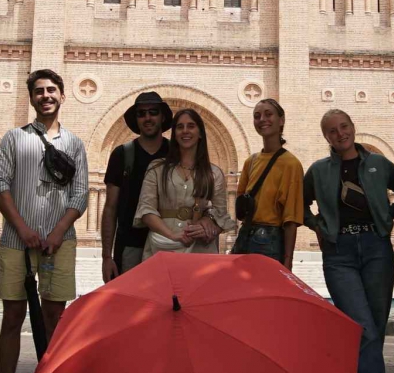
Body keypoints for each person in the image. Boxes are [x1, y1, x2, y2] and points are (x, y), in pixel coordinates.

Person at [0, 69, 89, 373]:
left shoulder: (74, 143)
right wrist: (23, 229)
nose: (46, 95)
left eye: (52, 90)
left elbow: (81, 194)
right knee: (12, 318)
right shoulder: (14, 139)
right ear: (31, 98)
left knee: (54, 321)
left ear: (62, 96)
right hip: (15, 242)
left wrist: (58, 230)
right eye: (39, 91)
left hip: (61, 243)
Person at [303, 110, 394, 373]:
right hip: (339, 253)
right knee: (364, 330)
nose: (339, 133)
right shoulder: (318, 171)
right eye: (331, 130)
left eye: (343, 127)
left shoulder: (379, 163)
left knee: (373, 334)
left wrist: (393, 215)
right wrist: (320, 228)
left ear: (353, 128)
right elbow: (301, 205)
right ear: (325, 136)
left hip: (377, 248)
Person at [134, 108, 232, 257]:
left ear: (200, 133)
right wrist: (173, 235)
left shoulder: (214, 174)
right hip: (162, 247)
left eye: (191, 126)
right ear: (174, 134)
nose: (185, 131)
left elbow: (221, 215)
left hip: (200, 251)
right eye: (180, 127)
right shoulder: (157, 169)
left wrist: (208, 227)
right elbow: (146, 210)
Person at [101, 92, 173, 281]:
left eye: (153, 112)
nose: (147, 118)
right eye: (141, 114)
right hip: (129, 247)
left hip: (167, 245)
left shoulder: (176, 153)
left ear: (162, 116)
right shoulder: (122, 154)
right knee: (128, 305)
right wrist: (106, 257)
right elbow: (110, 207)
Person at [235, 99, 304, 267]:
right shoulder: (250, 162)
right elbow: (240, 206)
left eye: (268, 114)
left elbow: (291, 217)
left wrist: (288, 261)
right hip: (245, 236)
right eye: (257, 116)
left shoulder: (291, 164)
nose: (262, 119)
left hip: (270, 241)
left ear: (281, 120)